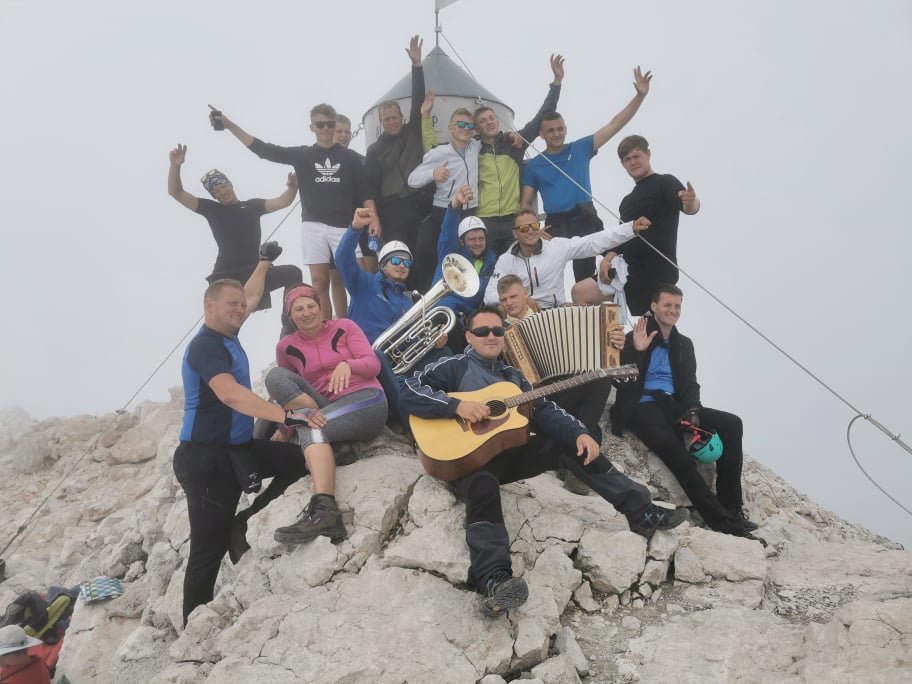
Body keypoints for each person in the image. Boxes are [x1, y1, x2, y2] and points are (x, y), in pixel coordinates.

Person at [400, 306, 688, 615]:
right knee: (482, 487)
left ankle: (641, 511)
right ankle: (493, 579)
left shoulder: (514, 378)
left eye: (498, 331)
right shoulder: (455, 366)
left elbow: (546, 411)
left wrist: (579, 432)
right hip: (463, 459)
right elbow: (408, 388)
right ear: (469, 336)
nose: (491, 336)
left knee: (572, 446)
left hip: (505, 454)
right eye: (482, 331)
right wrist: (455, 405)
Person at [174, 252, 320, 625]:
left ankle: (247, 520)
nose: (241, 309)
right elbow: (230, 395)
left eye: (241, 305)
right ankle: (194, 626)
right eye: (231, 305)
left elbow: (251, 296)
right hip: (206, 460)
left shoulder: (229, 330)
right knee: (209, 547)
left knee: (301, 460)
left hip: (238, 449)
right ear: (209, 306)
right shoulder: (206, 345)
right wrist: (287, 415)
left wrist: (262, 263)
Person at [610, 284, 761, 541]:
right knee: (680, 458)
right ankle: (723, 523)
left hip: (674, 405)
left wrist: (693, 410)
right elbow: (618, 380)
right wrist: (638, 350)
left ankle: (731, 507)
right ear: (654, 306)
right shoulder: (634, 336)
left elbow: (691, 383)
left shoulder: (683, 344)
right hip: (642, 406)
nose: (673, 311)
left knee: (732, 424)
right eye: (667, 305)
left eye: (677, 306)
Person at [211, 104, 377, 316]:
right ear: (312, 127)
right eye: (320, 124)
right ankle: (327, 329)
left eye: (330, 124)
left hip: (343, 226)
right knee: (319, 281)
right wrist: (229, 125)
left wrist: (374, 219)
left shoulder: (350, 158)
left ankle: (367, 319)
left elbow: (365, 192)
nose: (325, 128)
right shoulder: (303, 155)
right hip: (313, 226)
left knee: (358, 274)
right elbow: (264, 150)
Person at [264, 285, 388, 544]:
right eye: (299, 309)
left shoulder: (344, 327)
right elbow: (289, 393)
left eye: (311, 306)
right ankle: (330, 441)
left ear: (321, 308)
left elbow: (373, 363)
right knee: (275, 377)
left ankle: (325, 512)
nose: (306, 312)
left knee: (310, 427)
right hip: (325, 405)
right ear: (290, 316)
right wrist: (285, 429)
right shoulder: (285, 347)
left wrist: (347, 364)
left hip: (365, 399)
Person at [521, 66, 652, 282]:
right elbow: (525, 204)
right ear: (541, 135)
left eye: (560, 128)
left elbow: (615, 124)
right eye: (550, 131)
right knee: (542, 274)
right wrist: (534, 229)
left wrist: (639, 96)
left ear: (565, 128)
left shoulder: (580, 148)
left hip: (584, 218)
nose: (556, 134)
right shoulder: (535, 166)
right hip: (555, 224)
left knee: (594, 271)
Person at [497, 275, 626, 494]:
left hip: (564, 387)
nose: (509, 302)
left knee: (601, 380)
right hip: (534, 398)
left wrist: (615, 340)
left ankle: (576, 448)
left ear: (526, 294)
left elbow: (592, 342)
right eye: (504, 299)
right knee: (588, 423)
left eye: (513, 296)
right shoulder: (499, 332)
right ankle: (579, 461)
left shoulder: (554, 317)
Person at [336, 207, 451, 428]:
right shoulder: (364, 284)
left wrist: (433, 343)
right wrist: (355, 229)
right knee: (378, 355)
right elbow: (342, 260)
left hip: (399, 365)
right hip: (368, 359)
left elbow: (411, 341)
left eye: (406, 263)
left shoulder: (409, 301)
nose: (401, 266)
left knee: (445, 354)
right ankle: (410, 424)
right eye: (396, 261)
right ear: (383, 265)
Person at [167, 145, 303, 310]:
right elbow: (176, 193)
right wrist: (175, 166)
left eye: (223, 186)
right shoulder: (212, 209)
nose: (222, 192)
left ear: (230, 184)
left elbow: (283, 201)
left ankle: (290, 324)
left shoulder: (252, 206)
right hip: (226, 274)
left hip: (254, 273)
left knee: (293, 273)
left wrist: (293, 187)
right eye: (216, 192)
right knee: (229, 318)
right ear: (213, 196)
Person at [474, 55, 564, 255]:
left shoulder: (514, 144)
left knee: (515, 268)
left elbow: (540, 118)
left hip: (511, 220)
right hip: (484, 220)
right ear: (477, 128)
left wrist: (556, 83)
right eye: (483, 121)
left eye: (492, 118)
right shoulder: (473, 149)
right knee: (487, 271)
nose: (489, 122)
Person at [483, 207, 651, 310]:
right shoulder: (505, 260)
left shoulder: (557, 247)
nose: (530, 231)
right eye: (523, 228)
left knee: (582, 315)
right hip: (521, 313)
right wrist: (521, 298)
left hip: (555, 310)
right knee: (498, 311)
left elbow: (593, 242)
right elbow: (489, 295)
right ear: (515, 233)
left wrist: (630, 229)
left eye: (534, 226)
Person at [365, 35, 435, 264]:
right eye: (387, 119)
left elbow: (417, 100)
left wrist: (417, 66)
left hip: (421, 201)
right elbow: (371, 188)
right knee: (399, 255)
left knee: (424, 253)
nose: (392, 121)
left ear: (402, 117)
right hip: (392, 208)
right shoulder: (375, 150)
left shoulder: (412, 131)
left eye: (395, 117)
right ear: (381, 122)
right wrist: (376, 218)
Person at [614, 135, 700, 315]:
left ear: (648, 154)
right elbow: (620, 237)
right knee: (582, 292)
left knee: (654, 332)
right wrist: (608, 258)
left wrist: (691, 202)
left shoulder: (665, 182)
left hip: (658, 275)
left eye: (636, 156)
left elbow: (688, 207)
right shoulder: (626, 202)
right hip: (630, 276)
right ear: (623, 164)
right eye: (627, 159)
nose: (633, 162)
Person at [407, 105, 482, 292]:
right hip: (442, 210)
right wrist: (434, 173)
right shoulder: (439, 153)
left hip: (469, 212)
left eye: (470, 126)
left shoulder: (476, 146)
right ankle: (426, 295)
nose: (466, 129)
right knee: (425, 250)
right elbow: (412, 179)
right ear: (451, 128)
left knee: (465, 257)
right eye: (461, 124)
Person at [432, 185, 496, 352]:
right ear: (462, 241)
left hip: (469, 320)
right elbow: (447, 233)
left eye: (481, 238)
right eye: (472, 239)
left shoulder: (493, 262)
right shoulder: (451, 255)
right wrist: (455, 206)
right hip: (443, 314)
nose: (477, 242)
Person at [570, 250, 632, 324]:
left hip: (643, 275)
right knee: (579, 292)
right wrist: (606, 260)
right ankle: (593, 332)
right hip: (623, 268)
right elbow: (617, 247)